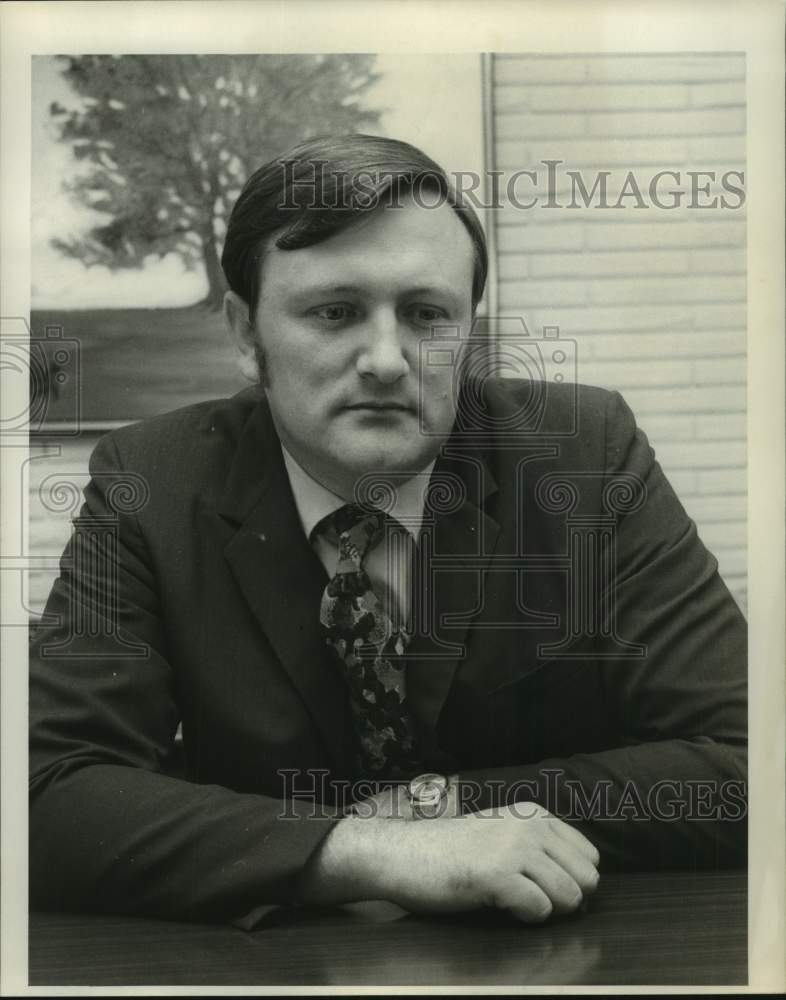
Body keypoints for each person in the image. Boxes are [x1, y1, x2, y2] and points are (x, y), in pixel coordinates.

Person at [29, 134, 747, 928]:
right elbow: (44, 790)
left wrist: (450, 805)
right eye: (334, 312)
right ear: (244, 333)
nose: (386, 359)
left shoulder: (585, 454)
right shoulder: (150, 483)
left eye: (425, 313)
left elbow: (748, 761)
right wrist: (363, 850)